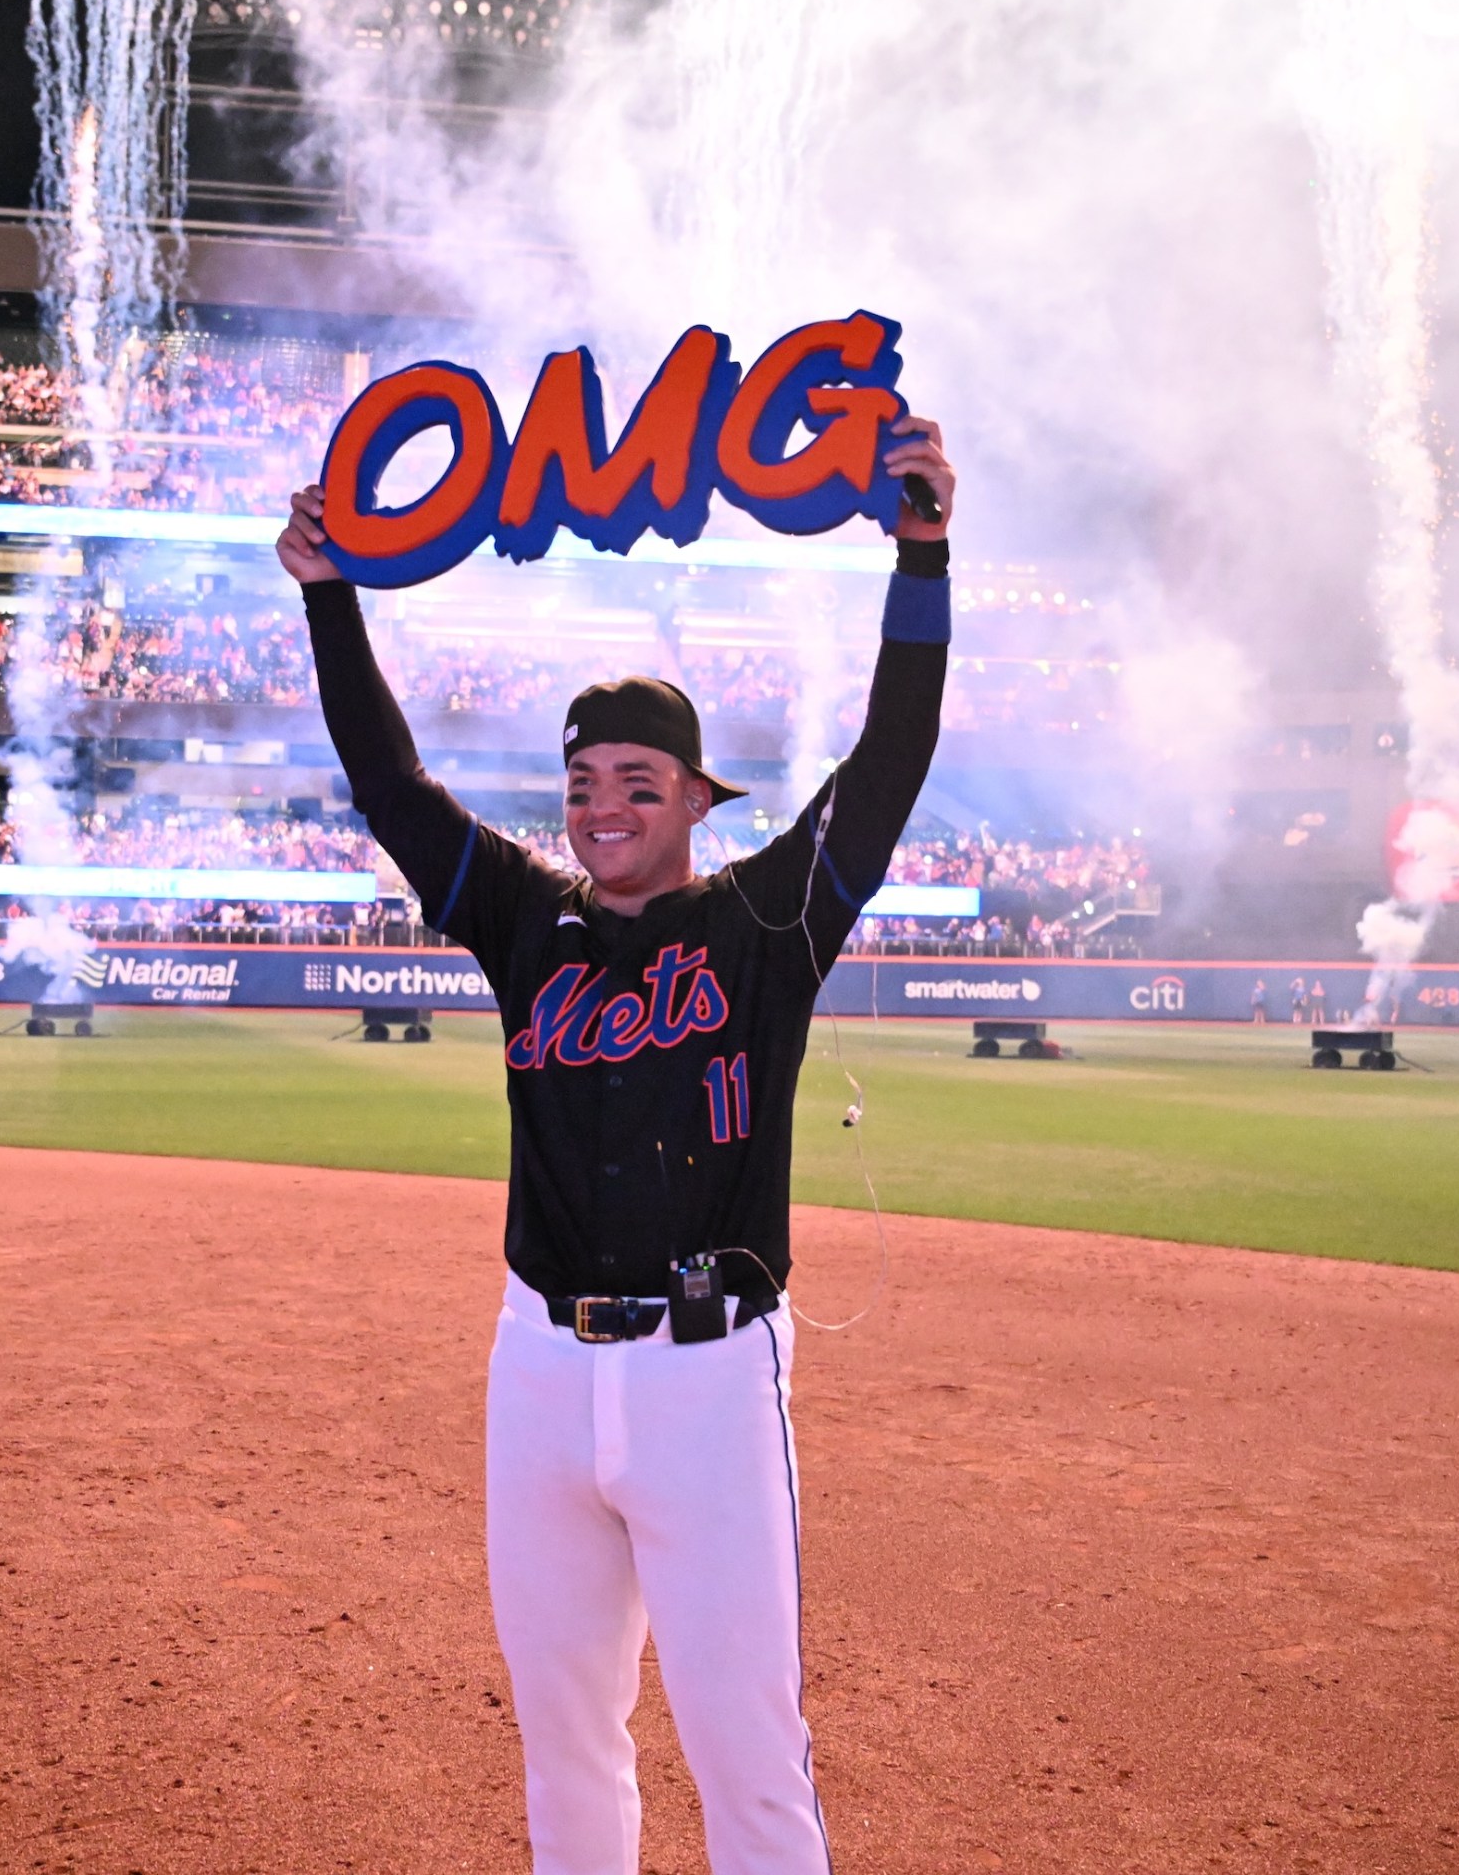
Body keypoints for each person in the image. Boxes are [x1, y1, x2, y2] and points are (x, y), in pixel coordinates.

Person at [276, 415, 956, 1875]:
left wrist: (923, 557)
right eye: (584, 786)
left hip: (710, 1376)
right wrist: (331, 596)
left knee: (747, 1749)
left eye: (639, 784)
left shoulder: (767, 922)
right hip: (536, 1369)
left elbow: (889, 765)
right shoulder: (528, 922)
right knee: (565, 1738)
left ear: (696, 803)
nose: (603, 810)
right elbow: (391, 790)